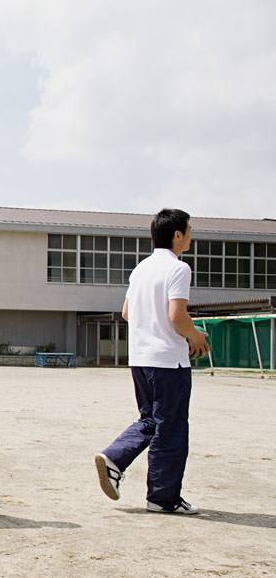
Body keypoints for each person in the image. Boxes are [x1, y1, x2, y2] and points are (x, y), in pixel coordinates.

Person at [95, 208, 209, 514]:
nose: (191, 236)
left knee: (151, 420)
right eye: (189, 230)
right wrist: (195, 336)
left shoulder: (141, 269)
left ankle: (115, 458)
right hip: (169, 362)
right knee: (171, 429)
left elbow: (127, 313)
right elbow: (177, 316)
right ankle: (162, 498)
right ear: (177, 235)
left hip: (140, 359)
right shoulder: (178, 269)